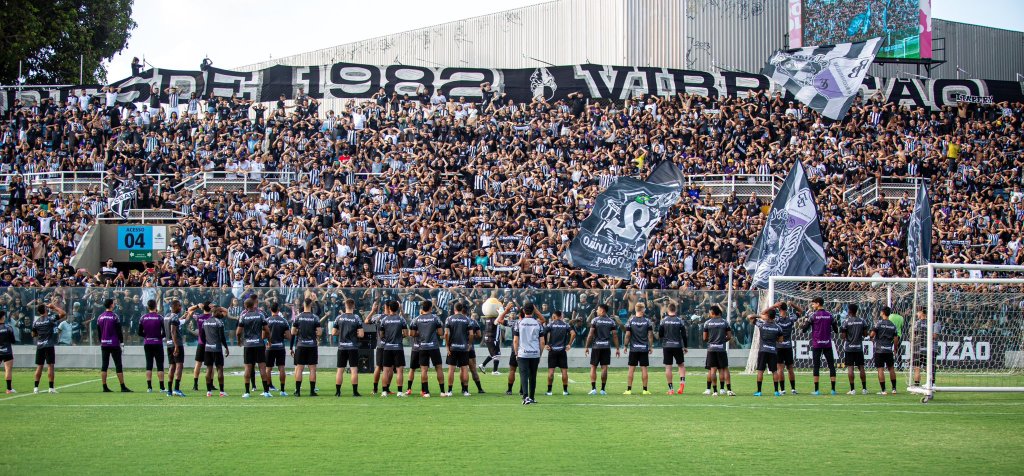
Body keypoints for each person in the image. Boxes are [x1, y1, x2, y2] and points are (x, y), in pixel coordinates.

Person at [801, 297, 838, 395]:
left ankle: (817, 390)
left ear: (818, 304)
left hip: (817, 344)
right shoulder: (830, 315)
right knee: (831, 366)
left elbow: (804, 330)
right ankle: (833, 390)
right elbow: (836, 330)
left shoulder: (813, 316)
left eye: (813, 304)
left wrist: (805, 319)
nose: (812, 306)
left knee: (816, 366)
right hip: (827, 344)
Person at [236, 297, 271, 398]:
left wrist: (239, 341)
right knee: (262, 367)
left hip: (248, 345)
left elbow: (238, 332)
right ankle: (266, 391)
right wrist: (269, 340)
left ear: (246, 306)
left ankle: (247, 392)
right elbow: (267, 330)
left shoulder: (243, 316)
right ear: (253, 305)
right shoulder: (260, 315)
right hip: (259, 344)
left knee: (248, 368)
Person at [410, 301, 445, 398]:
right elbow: (440, 333)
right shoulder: (435, 318)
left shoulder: (416, 319)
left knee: (424, 370)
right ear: (430, 308)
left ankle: (426, 392)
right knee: (438, 368)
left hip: (422, 347)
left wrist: (421, 333)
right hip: (433, 346)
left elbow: (412, 334)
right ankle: (442, 392)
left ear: (422, 308)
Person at [512, 302, 545, 405]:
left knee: (524, 375)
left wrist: (516, 353)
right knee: (533, 376)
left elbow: (515, 340)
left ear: (523, 310)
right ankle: (532, 397)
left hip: (523, 353)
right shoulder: (538, 323)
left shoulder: (519, 323)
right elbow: (542, 342)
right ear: (533, 311)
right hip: (535, 353)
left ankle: (525, 397)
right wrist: (540, 353)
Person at [96, 299, 131, 393]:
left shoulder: (100, 317)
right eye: (113, 303)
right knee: (118, 365)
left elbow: (99, 332)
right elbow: (119, 331)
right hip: (114, 343)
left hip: (104, 343)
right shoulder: (115, 316)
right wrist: (122, 343)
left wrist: (101, 341)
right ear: (111, 305)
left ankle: (104, 386)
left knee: (104, 365)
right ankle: (122, 386)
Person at [585, 304, 621, 395]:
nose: (597, 311)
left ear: (602, 311)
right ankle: (603, 390)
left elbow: (590, 335)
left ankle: (593, 389)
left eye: (598, 309)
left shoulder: (595, 320)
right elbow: (615, 335)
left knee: (593, 366)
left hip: (596, 347)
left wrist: (586, 347)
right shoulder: (611, 321)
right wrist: (617, 348)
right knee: (604, 367)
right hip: (606, 347)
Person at [31, 301, 66, 394]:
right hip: (49, 345)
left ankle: (36, 388)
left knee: (39, 366)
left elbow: (33, 334)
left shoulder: (36, 322)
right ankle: (51, 388)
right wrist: (54, 307)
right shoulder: (50, 319)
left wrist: (40, 334)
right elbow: (63, 313)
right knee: (50, 366)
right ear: (46, 310)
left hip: (40, 345)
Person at [332, 298, 364, 397]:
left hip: (342, 347)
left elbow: (333, 332)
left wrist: (341, 332)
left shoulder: (339, 317)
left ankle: (338, 392)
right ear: (353, 306)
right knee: (354, 369)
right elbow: (361, 334)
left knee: (340, 370)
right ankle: (355, 392)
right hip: (352, 347)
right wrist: (355, 333)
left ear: (345, 306)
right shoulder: (356, 318)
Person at [290, 298, 322, 397]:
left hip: (301, 345)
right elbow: (319, 333)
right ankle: (312, 391)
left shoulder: (298, 317)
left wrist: (299, 332)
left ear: (303, 304)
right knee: (312, 369)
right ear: (311, 305)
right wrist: (313, 333)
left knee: (299, 368)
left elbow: (292, 332)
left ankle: (298, 391)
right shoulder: (315, 317)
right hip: (312, 345)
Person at [748, 308, 783, 397]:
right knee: (774, 371)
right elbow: (780, 340)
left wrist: (760, 316)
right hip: (773, 351)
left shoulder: (761, 325)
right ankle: (776, 391)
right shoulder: (778, 327)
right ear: (774, 317)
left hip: (763, 351)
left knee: (760, 370)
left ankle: (759, 391)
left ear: (767, 316)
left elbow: (750, 317)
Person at [378, 300, 409, 397]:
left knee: (385, 370)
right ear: (397, 308)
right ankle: (399, 392)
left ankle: (384, 392)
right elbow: (406, 334)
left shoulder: (384, 320)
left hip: (387, 348)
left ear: (389, 308)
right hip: (398, 347)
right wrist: (400, 337)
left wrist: (387, 339)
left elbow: (381, 335)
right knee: (399, 370)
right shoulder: (401, 319)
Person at [623, 303, 654, 395]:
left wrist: (625, 346)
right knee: (644, 369)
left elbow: (627, 335)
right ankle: (645, 390)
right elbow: (650, 335)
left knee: (631, 369)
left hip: (634, 349)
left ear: (636, 309)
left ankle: (629, 390)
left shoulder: (631, 320)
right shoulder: (647, 321)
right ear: (643, 310)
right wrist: (650, 346)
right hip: (644, 348)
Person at [444, 302, 474, 397]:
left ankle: (450, 391)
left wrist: (447, 346)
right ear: (462, 309)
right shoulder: (467, 319)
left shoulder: (449, 319)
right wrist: (469, 344)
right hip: (463, 347)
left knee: (451, 369)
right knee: (464, 368)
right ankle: (466, 391)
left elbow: (446, 334)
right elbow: (471, 334)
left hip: (453, 347)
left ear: (454, 309)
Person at [703, 305, 734, 396]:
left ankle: (714, 391)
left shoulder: (707, 323)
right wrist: (721, 341)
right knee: (724, 369)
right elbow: (729, 336)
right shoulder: (725, 322)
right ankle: (727, 390)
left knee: (712, 370)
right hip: (721, 349)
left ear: (712, 313)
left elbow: (704, 338)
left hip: (711, 349)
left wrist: (711, 342)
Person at [137, 299, 166, 393]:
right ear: (155, 306)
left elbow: (139, 332)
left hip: (147, 343)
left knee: (149, 364)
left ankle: (149, 387)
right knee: (160, 365)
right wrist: (159, 337)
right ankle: (162, 388)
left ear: (147, 307)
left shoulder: (143, 318)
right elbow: (165, 332)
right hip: (158, 343)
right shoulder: (160, 317)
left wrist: (146, 336)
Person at [658, 303, 687, 395]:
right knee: (681, 365)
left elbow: (660, 334)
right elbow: (684, 335)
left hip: (667, 346)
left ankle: (671, 389)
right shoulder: (679, 320)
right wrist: (685, 346)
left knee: (668, 367)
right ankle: (682, 384)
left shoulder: (663, 320)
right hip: (677, 345)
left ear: (668, 310)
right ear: (675, 310)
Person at [544, 311, 575, 396]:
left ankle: (549, 391)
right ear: (561, 316)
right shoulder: (566, 325)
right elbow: (573, 333)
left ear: (554, 316)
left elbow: (543, 332)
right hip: (562, 350)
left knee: (551, 371)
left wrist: (546, 344)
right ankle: (565, 391)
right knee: (564, 371)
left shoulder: (551, 324)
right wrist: (569, 344)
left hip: (552, 350)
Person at [840, 303, 868, 395]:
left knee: (850, 368)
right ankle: (864, 389)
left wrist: (844, 333)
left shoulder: (846, 322)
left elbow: (843, 336)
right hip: (859, 348)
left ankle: (852, 390)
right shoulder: (862, 321)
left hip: (849, 348)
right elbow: (865, 334)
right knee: (861, 367)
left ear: (849, 311)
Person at [162, 300, 188, 397]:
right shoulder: (174, 317)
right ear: (174, 306)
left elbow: (174, 324)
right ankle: (176, 389)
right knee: (179, 366)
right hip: (176, 344)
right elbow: (173, 331)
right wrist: (176, 346)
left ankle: (169, 391)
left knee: (172, 366)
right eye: (179, 306)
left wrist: (183, 317)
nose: (180, 307)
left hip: (169, 344)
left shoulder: (167, 316)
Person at [202, 306, 230, 397]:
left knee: (209, 369)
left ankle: (208, 391)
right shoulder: (219, 322)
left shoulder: (205, 322)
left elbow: (202, 336)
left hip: (208, 348)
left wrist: (207, 343)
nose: (221, 313)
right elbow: (222, 337)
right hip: (217, 349)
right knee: (220, 369)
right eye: (220, 312)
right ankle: (222, 391)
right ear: (217, 312)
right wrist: (226, 347)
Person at [872, 308, 900, 395]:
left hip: (879, 350)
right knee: (891, 368)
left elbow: (872, 334)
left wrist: (871, 337)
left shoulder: (879, 323)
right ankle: (894, 389)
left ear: (883, 313)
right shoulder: (892, 325)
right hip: (888, 350)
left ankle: (883, 390)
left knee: (880, 369)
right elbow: (896, 339)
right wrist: (895, 349)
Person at [265, 302, 291, 396]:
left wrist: (268, 338)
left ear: (270, 309)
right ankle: (282, 390)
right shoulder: (284, 321)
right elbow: (289, 336)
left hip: (270, 347)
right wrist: (281, 335)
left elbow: (263, 335)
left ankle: (267, 390)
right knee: (281, 368)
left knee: (268, 369)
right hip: (280, 347)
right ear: (278, 310)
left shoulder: (267, 320)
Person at [495, 302, 520, 396]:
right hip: (525, 350)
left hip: (515, 349)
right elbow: (542, 320)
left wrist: (506, 310)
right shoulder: (531, 323)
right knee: (524, 371)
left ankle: (509, 390)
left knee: (512, 370)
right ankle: (522, 390)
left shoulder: (514, 323)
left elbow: (499, 320)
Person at [912, 309, 941, 387]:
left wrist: (916, 341)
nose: (917, 313)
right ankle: (927, 383)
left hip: (925, 348)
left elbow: (914, 335)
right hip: (924, 348)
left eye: (918, 312)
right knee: (924, 367)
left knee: (923, 367)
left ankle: (930, 384)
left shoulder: (919, 323)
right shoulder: (929, 323)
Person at [775, 302, 798, 394]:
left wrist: (773, 306)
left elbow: (764, 314)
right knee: (790, 368)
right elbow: (801, 311)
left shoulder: (776, 319)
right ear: (786, 309)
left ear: (779, 309)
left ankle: (782, 390)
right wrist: (792, 305)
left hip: (779, 346)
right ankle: (793, 389)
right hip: (788, 346)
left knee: (780, 369)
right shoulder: (791, 319)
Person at [190, 303, 213, 391]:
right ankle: (210, 384)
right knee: (210, 365)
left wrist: (197, 306)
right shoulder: (212, 317)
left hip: (201, 343)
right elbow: (225, 312)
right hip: (210, 343)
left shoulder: (199, 317)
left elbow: (189, 310)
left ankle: (195, 385)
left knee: (198, 364)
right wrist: (214, 307)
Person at [479, 295, 503, 374]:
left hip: (489, 338)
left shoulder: (488, 318)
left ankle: (482, 365)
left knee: (493, 354)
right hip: (492, 338)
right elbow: (496, 322)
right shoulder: (493, 319)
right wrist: (500, 313)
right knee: (497, 355)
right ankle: (494, 371)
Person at [0, 311, 16, 393]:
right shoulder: (8, 327)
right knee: (8, 369)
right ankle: (9, 389)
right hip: (7, 351)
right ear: (3, 317)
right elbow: (13, 341)